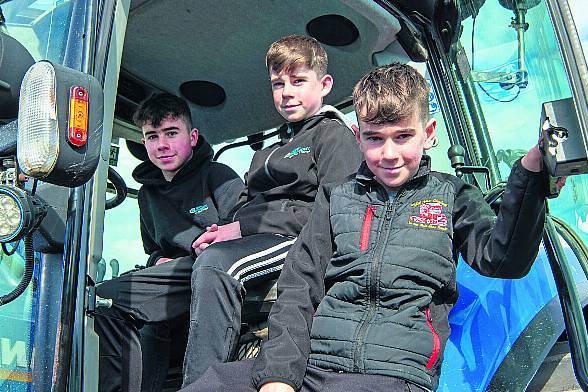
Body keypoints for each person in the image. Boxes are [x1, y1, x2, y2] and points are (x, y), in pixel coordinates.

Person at [181, 62, 559, 392]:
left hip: (391, 376)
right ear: (357, 136)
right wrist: (278, 376)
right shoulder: (337, 197)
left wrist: (529, 175)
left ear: (428, 133)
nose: (389, 154)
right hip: (315, 368)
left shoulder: (451, 195)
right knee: (210, 384)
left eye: (403, 137)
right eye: (375, 139)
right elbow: (299, 287)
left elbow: (504, 259)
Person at [182, 35, 363, 387]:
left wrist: (241, 231)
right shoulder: (266, 154)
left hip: (300, 237)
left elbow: (336, 207)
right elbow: (244, 207)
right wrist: (224, 230)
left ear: (324, 84)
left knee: (219, 265)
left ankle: (201, 385)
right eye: (278, 84)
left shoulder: (332, 136)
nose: (287, 92)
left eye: (298, 81)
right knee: (189, 268)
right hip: (260, 237)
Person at [93, 93, 244, 392]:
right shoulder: (148, 195)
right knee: (107, 302)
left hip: (214, 271)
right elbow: (153, 250)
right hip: (172, 277)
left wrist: (215, 242)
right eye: (152, 136)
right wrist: (156, 262)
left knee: (109, 298)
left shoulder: (218, 176)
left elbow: (243, 230)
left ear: (192, 136)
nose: (162, 144)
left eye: (171, 133)